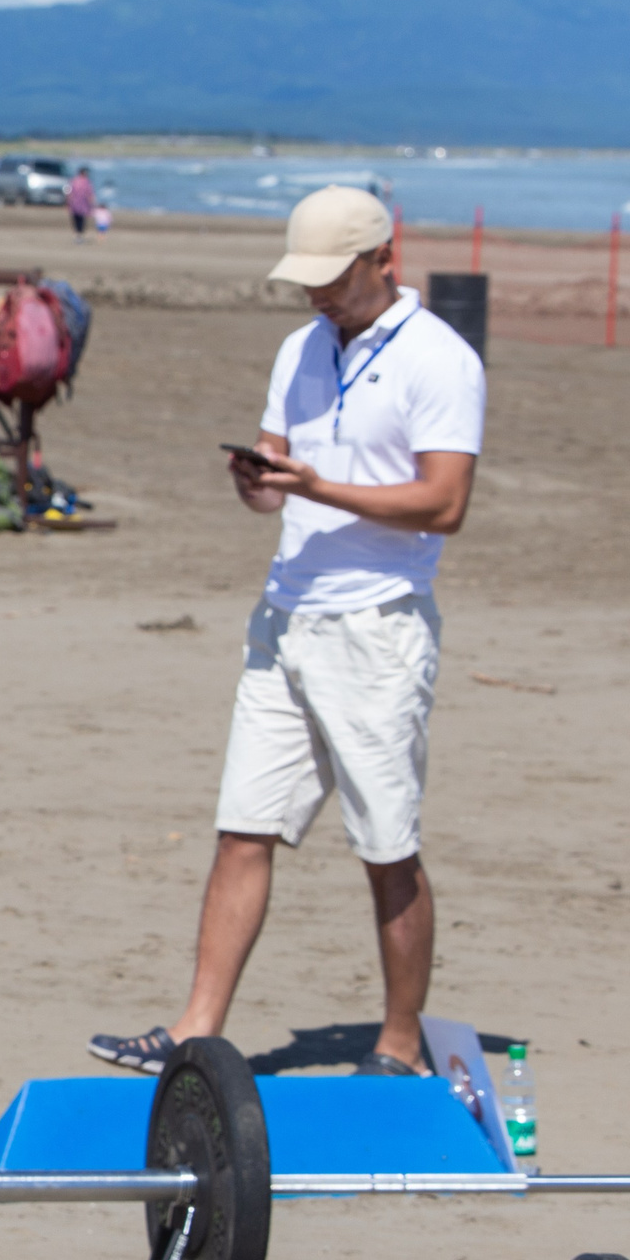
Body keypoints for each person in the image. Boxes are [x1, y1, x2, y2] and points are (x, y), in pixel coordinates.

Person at [91, 185, 484, 1077]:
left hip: (377, 626)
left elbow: (445, 502)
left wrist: (315, 488)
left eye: (331, 277)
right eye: (305, 277)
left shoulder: (441, 360)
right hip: (285, 616)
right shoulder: (300, 347)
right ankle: (196, 1026)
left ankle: (396, 1043)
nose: (315, 294)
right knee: (244, 827)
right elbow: (277, 478)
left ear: (383, 259)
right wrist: (260, 482)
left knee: (386, 845)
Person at [66, 167, 95, 242]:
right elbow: (90, 194)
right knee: (80, 220)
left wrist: (68, 202)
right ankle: (79, 236)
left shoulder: (74, 181)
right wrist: (92, 204)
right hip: (81, 204)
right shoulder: (86, 182)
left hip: (77, 204)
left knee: (77, 220)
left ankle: (78, 236)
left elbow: (69, 192)